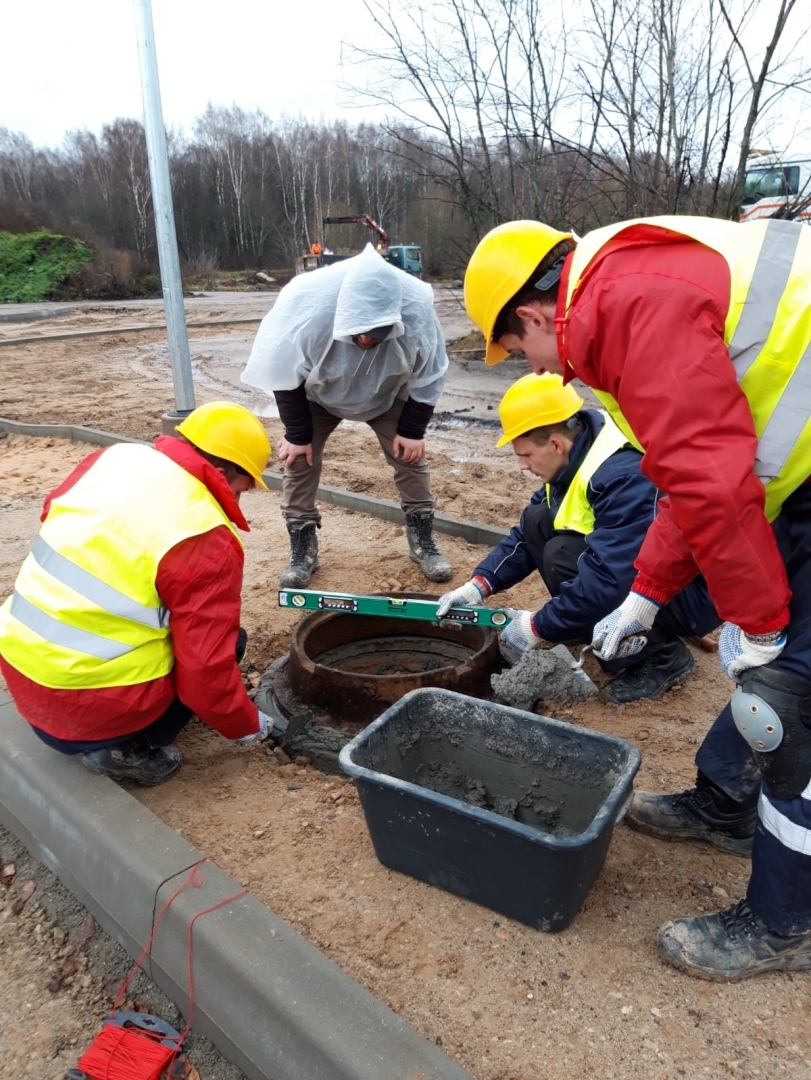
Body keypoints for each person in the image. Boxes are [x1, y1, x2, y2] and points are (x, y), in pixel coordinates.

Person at [463, 215, 811, 981]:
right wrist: (645, 595)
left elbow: (711, 482)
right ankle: (724, 804)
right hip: (796, 484)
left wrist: (756, 623)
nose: (540, 371)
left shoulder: (627, 307)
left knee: (791, 699)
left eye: (519, 349)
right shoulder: (621, 287)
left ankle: (788, 922)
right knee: (773, 681)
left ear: (529, 314)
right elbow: (690, 473)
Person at [0, 401, 279, 787]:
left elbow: (53, 514)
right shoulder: (204, 535)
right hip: (82, 712)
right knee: (229, 645)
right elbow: (205, 675)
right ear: (219, 472)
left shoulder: (113, 459)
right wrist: (248, 725)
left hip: (22, 672)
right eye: (241, 487)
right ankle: (126, 749)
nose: (238, 500)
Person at [436, 371, 717, 703]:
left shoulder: (623, 476)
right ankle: (586, 622)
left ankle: (661, 656)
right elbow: (527, 535)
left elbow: (611, 579)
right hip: (636, 572)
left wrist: (536, 626)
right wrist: (478, 586)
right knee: (541, 521)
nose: (522, 467)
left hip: (691, 593)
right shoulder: (577, 450)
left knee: (564, 557)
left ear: (555, 443)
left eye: (525, 455)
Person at [241, 243, 453, 587]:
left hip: (386, 392)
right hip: (319, 393)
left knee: (411, 459)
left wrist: (413, 430)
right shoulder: (310, 303)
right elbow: (282, 369)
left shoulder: (415, 309)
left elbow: (431, 373)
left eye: (377, 333)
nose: (368, 339)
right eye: (361, 332)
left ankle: (423, 541)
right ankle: (303, 548)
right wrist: (297, 434)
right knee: (298, 459)